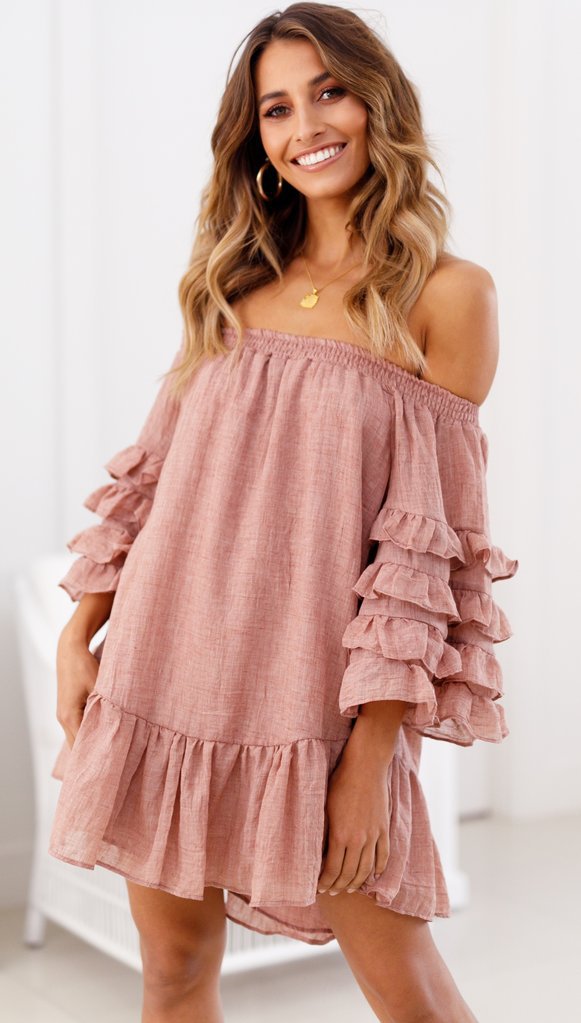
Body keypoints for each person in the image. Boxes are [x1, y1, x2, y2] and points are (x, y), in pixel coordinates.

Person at [49, 4, 519, 1021]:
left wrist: (369, 755)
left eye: (328, 92)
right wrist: (79, 632)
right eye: (275, 108)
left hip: (313, 702)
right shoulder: (232, 277)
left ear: (376, 103)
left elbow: (427, 554)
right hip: (163, 670)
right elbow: (154, 476)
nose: (304, 125)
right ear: (253, 135)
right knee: (173, 972)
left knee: (408, 993)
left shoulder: (447, 296)